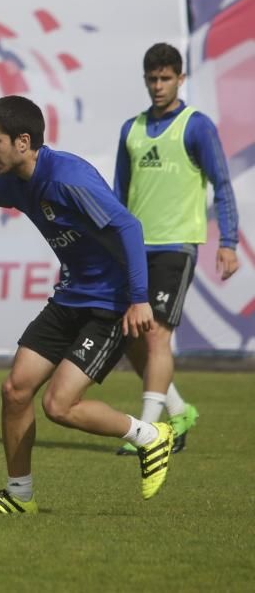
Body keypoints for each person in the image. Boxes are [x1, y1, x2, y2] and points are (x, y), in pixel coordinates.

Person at [0, 95, 174, 514]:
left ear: (23, 141)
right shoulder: (16, 183)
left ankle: (149, 436)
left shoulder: (67, 178)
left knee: (59, 406)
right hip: (69, 297)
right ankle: (19, 497)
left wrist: (138, 299)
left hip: (110, 304)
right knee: (15, 391)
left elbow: (128, 225)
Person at [112, 42, 239, 456]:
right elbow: (118, 193)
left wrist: (228, 242)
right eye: (152, 79)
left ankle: (147, 432)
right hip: (134, 248)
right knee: (130, 333)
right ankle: (179, 410)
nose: (158, 86)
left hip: (176, 246)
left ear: (180, 79)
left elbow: (221, 183)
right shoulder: (130, 129)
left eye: (166, 78)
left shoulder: (196, 126)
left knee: (156, 337)